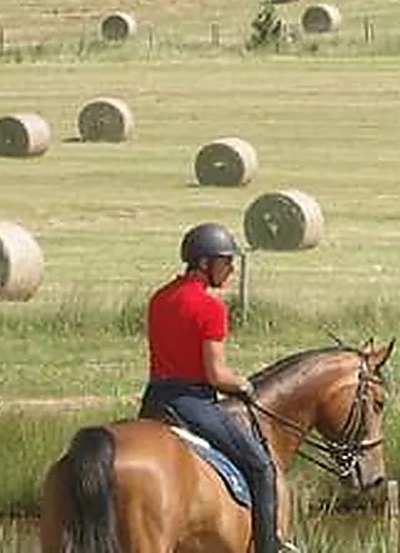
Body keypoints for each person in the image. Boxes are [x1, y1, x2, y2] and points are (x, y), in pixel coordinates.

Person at [139, 222, 291, 553]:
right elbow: (216, 375)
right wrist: (243, 385)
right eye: (226, 261)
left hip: (154, 401)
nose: (232, 268)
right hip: (192, 404)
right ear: (204, 263)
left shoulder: (159, 298)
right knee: (261, 468)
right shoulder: (210, 308)